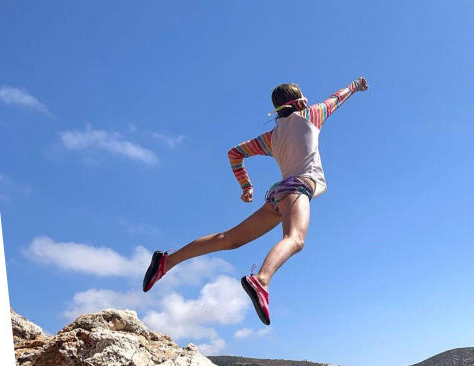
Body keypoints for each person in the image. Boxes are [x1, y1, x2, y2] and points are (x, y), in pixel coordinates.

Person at [142, 77, 369, 325]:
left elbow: (235, 153)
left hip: (277, 194)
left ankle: (167, 261)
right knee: (295, 239)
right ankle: (261, 280)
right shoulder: (311, 115)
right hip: (297, 187)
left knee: (228, 239)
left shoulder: (272, 137)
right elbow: (337, 97)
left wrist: (246, 185)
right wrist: (357, 85)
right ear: (302, 101)